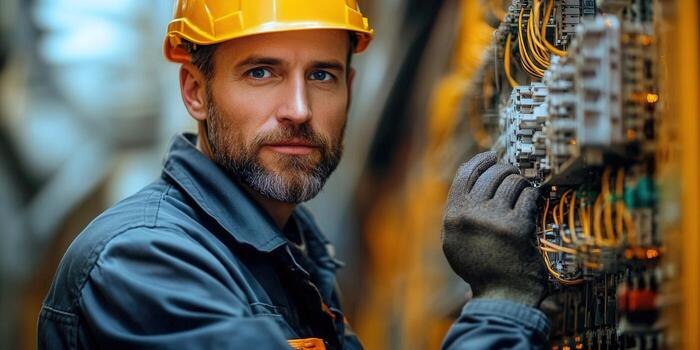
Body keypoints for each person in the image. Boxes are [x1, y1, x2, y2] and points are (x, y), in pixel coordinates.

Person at [38, 1, 550, 349]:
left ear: (349, 88)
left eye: (322, 75)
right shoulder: (143, 261)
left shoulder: (289, 259)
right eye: (262, 72)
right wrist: (499, 306)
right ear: (195, 91)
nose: (299, 109)